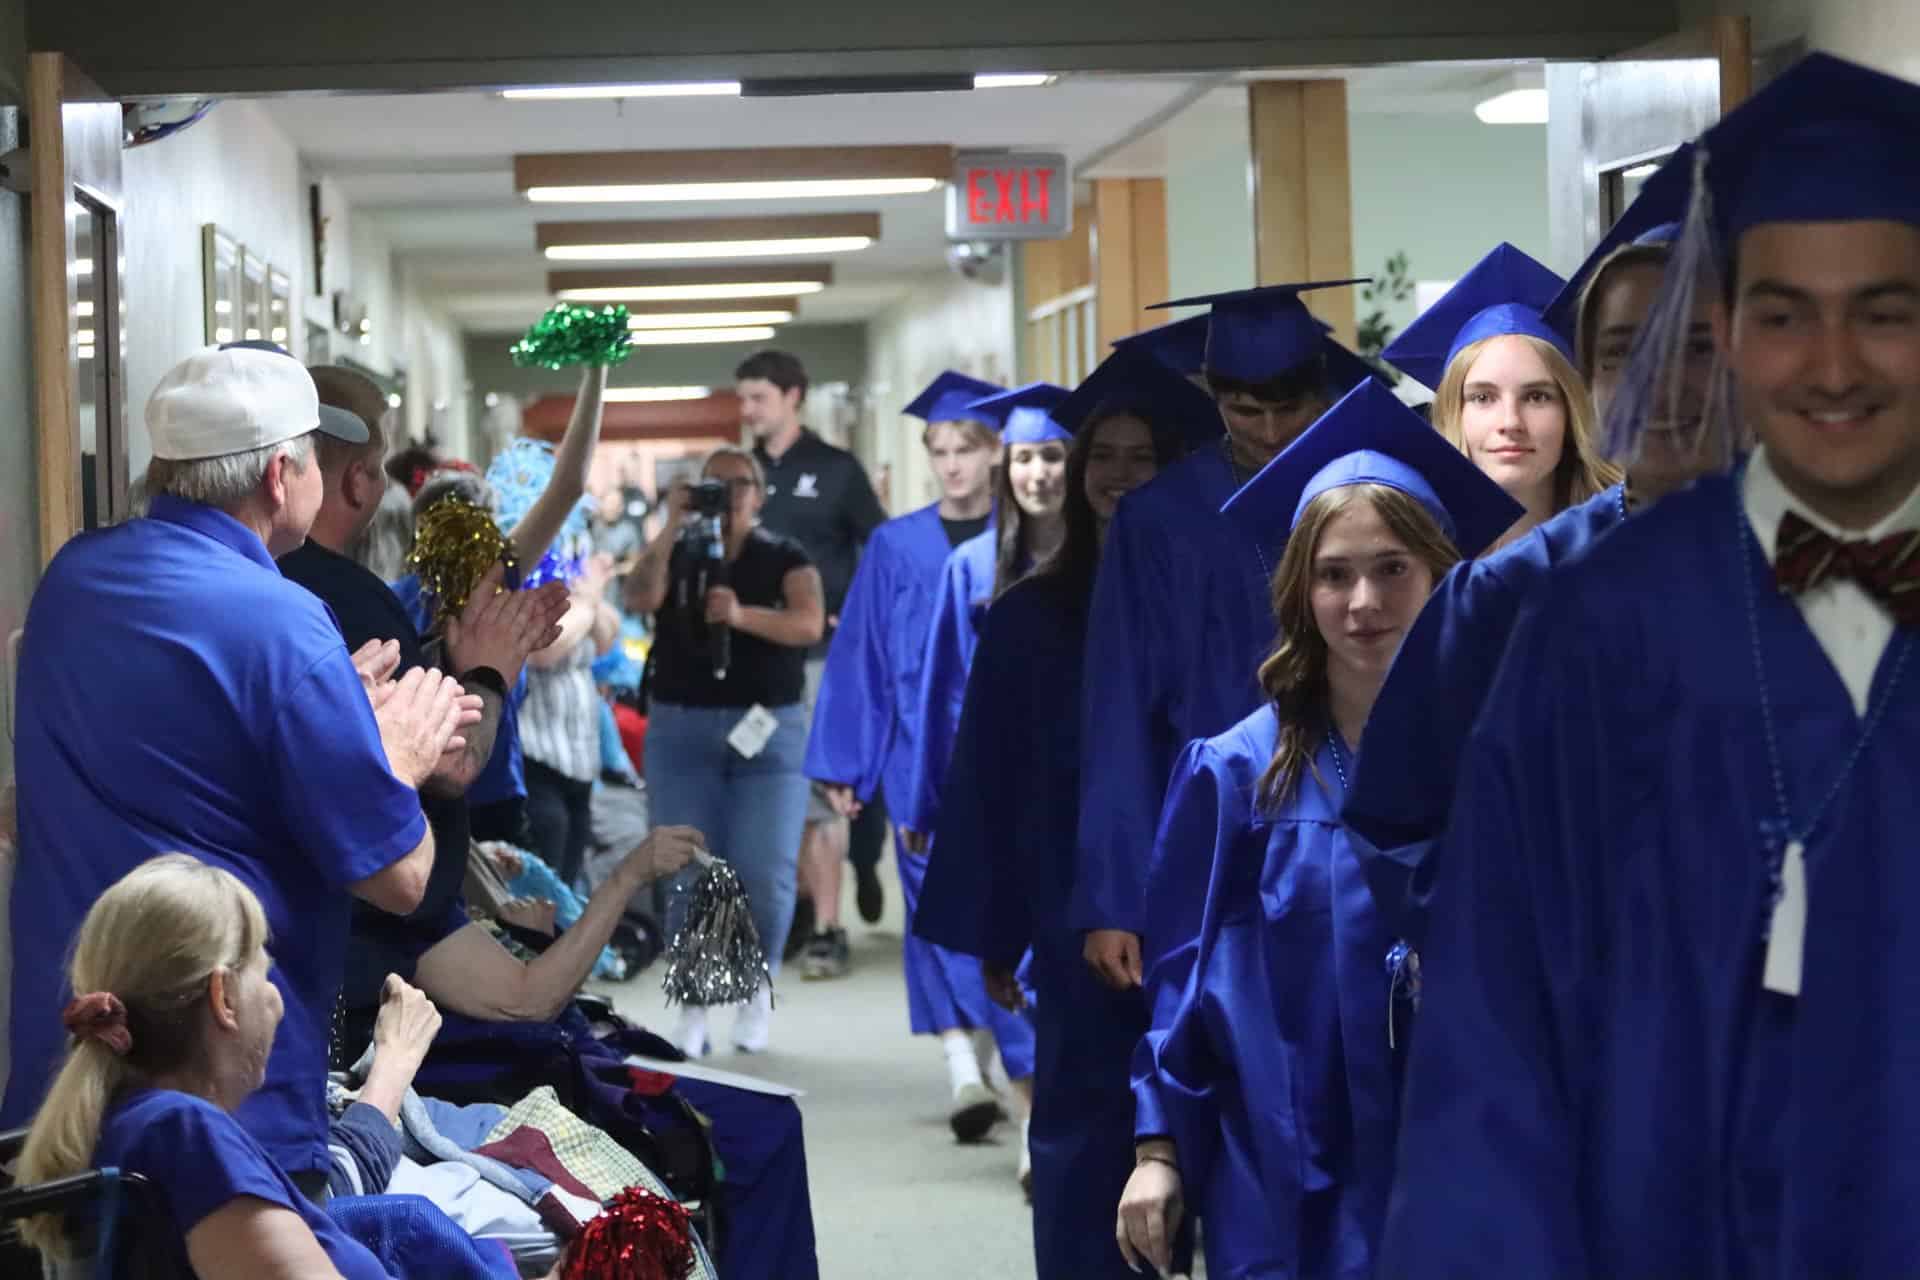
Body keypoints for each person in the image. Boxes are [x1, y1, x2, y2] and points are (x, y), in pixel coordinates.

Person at [1380, 53, 1920, 1273]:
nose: (1834, 364)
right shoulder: (1594, 629)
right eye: (1784, 314)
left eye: (1886, 310)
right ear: (1731, 332)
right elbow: (1494, 1050)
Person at [4, 346, 476, 1195]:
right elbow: (401, 878)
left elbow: (187, 750)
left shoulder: (73, 579)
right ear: (279, 475)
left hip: (63, 1091)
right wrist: (395, 757)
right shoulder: (285, 622)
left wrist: (326, 717)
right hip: (224, 1116)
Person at [1116, 382, 1522, 1279]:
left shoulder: (1502, 756)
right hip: (1283, 1162)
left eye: (1392, 569)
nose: (1362, 601)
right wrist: (1158, 1149)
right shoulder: (1235, 772)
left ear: (1441, 574)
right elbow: (1182, 977)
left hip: (1466, 1147)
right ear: (1300, 590)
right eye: (1334, 574)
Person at [1343, 154, 1720, 951]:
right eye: (1621, 353)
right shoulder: (1504, 597)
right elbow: (1398, 827)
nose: (1655, 381)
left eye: (1691, 346)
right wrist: (1521, 956)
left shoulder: (1849, 573)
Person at [914, 349, 1203, 1273]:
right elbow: (990, 781)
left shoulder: (1216, 598)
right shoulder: (1029, 615)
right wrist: (998, 930)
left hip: (1204, 902)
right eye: (1102, 456)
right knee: (1085, 1128)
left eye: (1142, 456)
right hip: (1077, 911)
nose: (1119, 474)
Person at [1074, 281, 1373, 1005]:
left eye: (1289, 409)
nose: (1269, 432)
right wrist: (1115, 897)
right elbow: (1120, 708)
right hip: (1217, 825)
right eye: (1245, 410)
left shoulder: (1368, 491)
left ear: (1323, 391)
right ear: (1211, 394)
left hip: (1363, 813)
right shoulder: (1161, 518)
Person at [14, 855, 524, 1279]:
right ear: (224, 998)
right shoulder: (187, 1134)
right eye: (265, 970)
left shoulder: (128, 1123)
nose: (277, 1000)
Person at [278, 366, 575, 1035]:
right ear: (360, 481)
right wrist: (490, 673)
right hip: (360, 926)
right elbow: (449, 762)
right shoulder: (350, 598)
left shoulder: (251, 577)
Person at [892, 383, 1072, 1151]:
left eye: (1053, 457)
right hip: (996, 783)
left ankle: (1059, 1108)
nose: (1038, 473)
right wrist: (924, 801)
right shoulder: (971, 566)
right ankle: (1031, 1116)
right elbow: (938, 691)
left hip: (1079, 785)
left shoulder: (1105, 561)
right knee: (1004, 945)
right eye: (1026, 458)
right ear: (1008, 466)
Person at [800, 370, 1002, 981]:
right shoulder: (895, 545)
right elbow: (862, 655)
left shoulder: (1025, 539)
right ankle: (956, 1032)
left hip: (1009, 743)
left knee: (1005, 897)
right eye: (939, 452)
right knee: (933, 898)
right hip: (919, 750)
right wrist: (845, 762)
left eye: (964, 450)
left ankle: (1000, 1024)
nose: (952, 466)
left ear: (995, 450)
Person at [629, 445, 826, 1057]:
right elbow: (639, 597)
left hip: (769, 731)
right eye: (714, 485)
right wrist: (670, 524)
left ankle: (753, 987)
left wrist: (741, 616)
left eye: (740, 484)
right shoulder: (680, 549)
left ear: (759, 495)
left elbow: (808, 622)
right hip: (681, 728)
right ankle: (694, 1001)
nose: (729, 496)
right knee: (686, 870)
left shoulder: (785, 555)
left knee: (764, 873)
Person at [393, 367, 612, 851]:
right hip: (480, 793)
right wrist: (596, 369)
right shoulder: (490, 582)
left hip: (419, 791)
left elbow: (568, 487)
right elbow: (568, 487)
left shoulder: (391, 597)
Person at [738, 350, 894, 944]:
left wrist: (853, 610)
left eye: (759, 398)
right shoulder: (740, 476)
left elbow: (883, 550)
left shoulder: (835, 469)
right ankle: (808, 909)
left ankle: (844, 895)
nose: (748, 409)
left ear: (793, 396)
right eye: (743, 398)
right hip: (757, 657)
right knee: (782, 791)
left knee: (829, 787)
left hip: (823, 657)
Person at [1381, 241, 1620, 548]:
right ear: (1455, 412)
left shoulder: (1622, 547)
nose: (1510, 422)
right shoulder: (1419, 562)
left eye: (1537, 397)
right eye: (1483, 398)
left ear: (1571, 411)